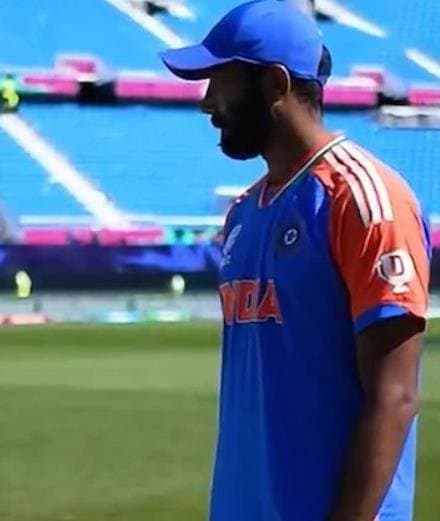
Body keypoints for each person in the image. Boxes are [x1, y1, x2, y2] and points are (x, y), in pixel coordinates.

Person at [160, 1, 428, 520]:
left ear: (275, 85)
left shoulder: (364, 199)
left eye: (219, 81)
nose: (206, 102)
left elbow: (393, 398)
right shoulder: (242, 215)